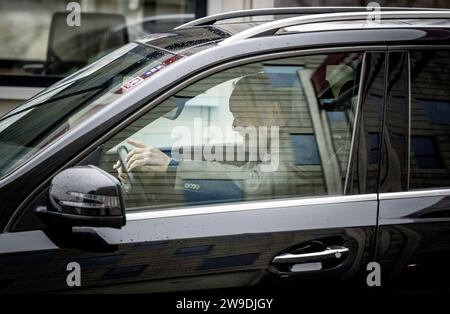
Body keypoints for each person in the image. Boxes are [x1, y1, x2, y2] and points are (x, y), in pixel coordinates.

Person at [114, 73, 309, 203]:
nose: (234, 125)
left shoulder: (300, 149)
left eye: (240, 115)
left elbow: (249, 184)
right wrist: (153, 173)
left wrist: (172, 167)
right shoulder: (265, 145)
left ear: (274, 112)